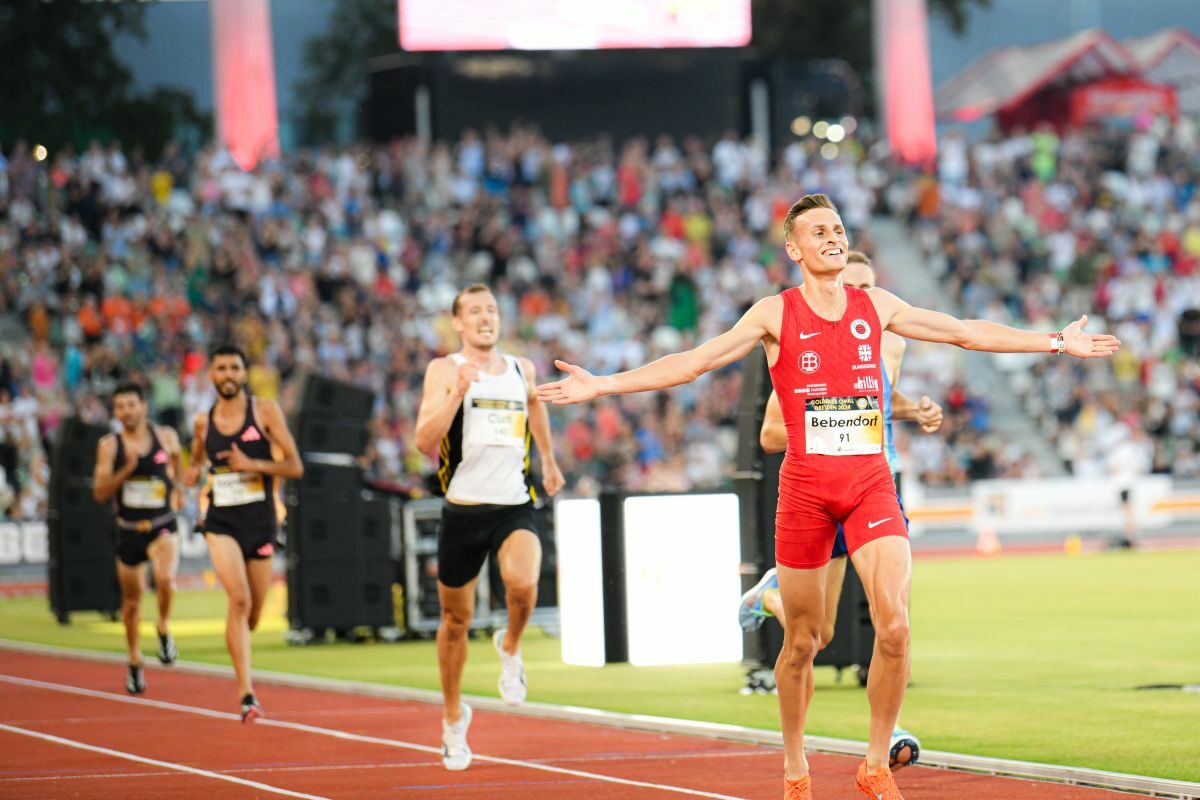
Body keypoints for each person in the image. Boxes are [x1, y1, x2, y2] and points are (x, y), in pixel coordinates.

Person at [538, 194, 1118, 800]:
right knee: (805, 642)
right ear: (795, 249)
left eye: (838, 228)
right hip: (807, 493)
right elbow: (693, 363)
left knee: (894, 626)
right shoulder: (774, 313)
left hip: (870, 483)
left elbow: (964, 333)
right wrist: (603, 384)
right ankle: (795, 767)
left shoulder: (877, 305)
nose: (833, 237)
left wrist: (1055, 342)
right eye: (819, 231)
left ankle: (874, 764)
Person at [740, 251, 943, 771]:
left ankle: (887, 732)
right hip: (820, 487)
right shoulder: (799, 343)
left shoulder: (890, 342)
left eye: (867, 286)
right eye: (850, 285)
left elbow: (881, 398)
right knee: (819, 635)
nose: (857, 297)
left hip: (877, 482)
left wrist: (914, 407)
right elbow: (768, 434)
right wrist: (824, 416)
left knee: (893, 616)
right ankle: (773, 598)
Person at [414, 284, 565, 772]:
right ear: (457, 323)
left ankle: (510, 645)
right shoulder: (443, 369)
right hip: (462, 509)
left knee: (523, 585)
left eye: (492, 310)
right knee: (454, 622)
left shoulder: (523, 368)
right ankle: (453, 719)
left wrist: (548, 458)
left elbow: (536, 406)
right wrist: (458, 391)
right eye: (474, 311)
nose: (485, 317)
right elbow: (423, 441)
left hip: (513, 504)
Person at [183, 345, 303, 722]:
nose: (228, 374)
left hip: (261, 521)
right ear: (212, 376)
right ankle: (246, 694)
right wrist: (192, 473)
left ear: (244, 374)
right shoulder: (204, 422)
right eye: (221, 368)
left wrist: (253, 464)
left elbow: (295, 465)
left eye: (235, 367)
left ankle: (240, 642)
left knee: (251, 614)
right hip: (220, 522)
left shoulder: (264, 411)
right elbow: (198, 459)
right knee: (238, 600)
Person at [92, 382, 183, 695]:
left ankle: (162, 626)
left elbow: (178, 460)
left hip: (161, 524)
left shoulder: (166, 436)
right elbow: (100, 492)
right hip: (128, 531)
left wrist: (180, 488)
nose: (126, 412)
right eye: (120, 407)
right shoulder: (110, 446)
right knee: (131, 603)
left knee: (166, 579)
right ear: (115, 411)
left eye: (131, 405)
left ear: (144, 406)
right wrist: (127, 469)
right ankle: (134, 660)